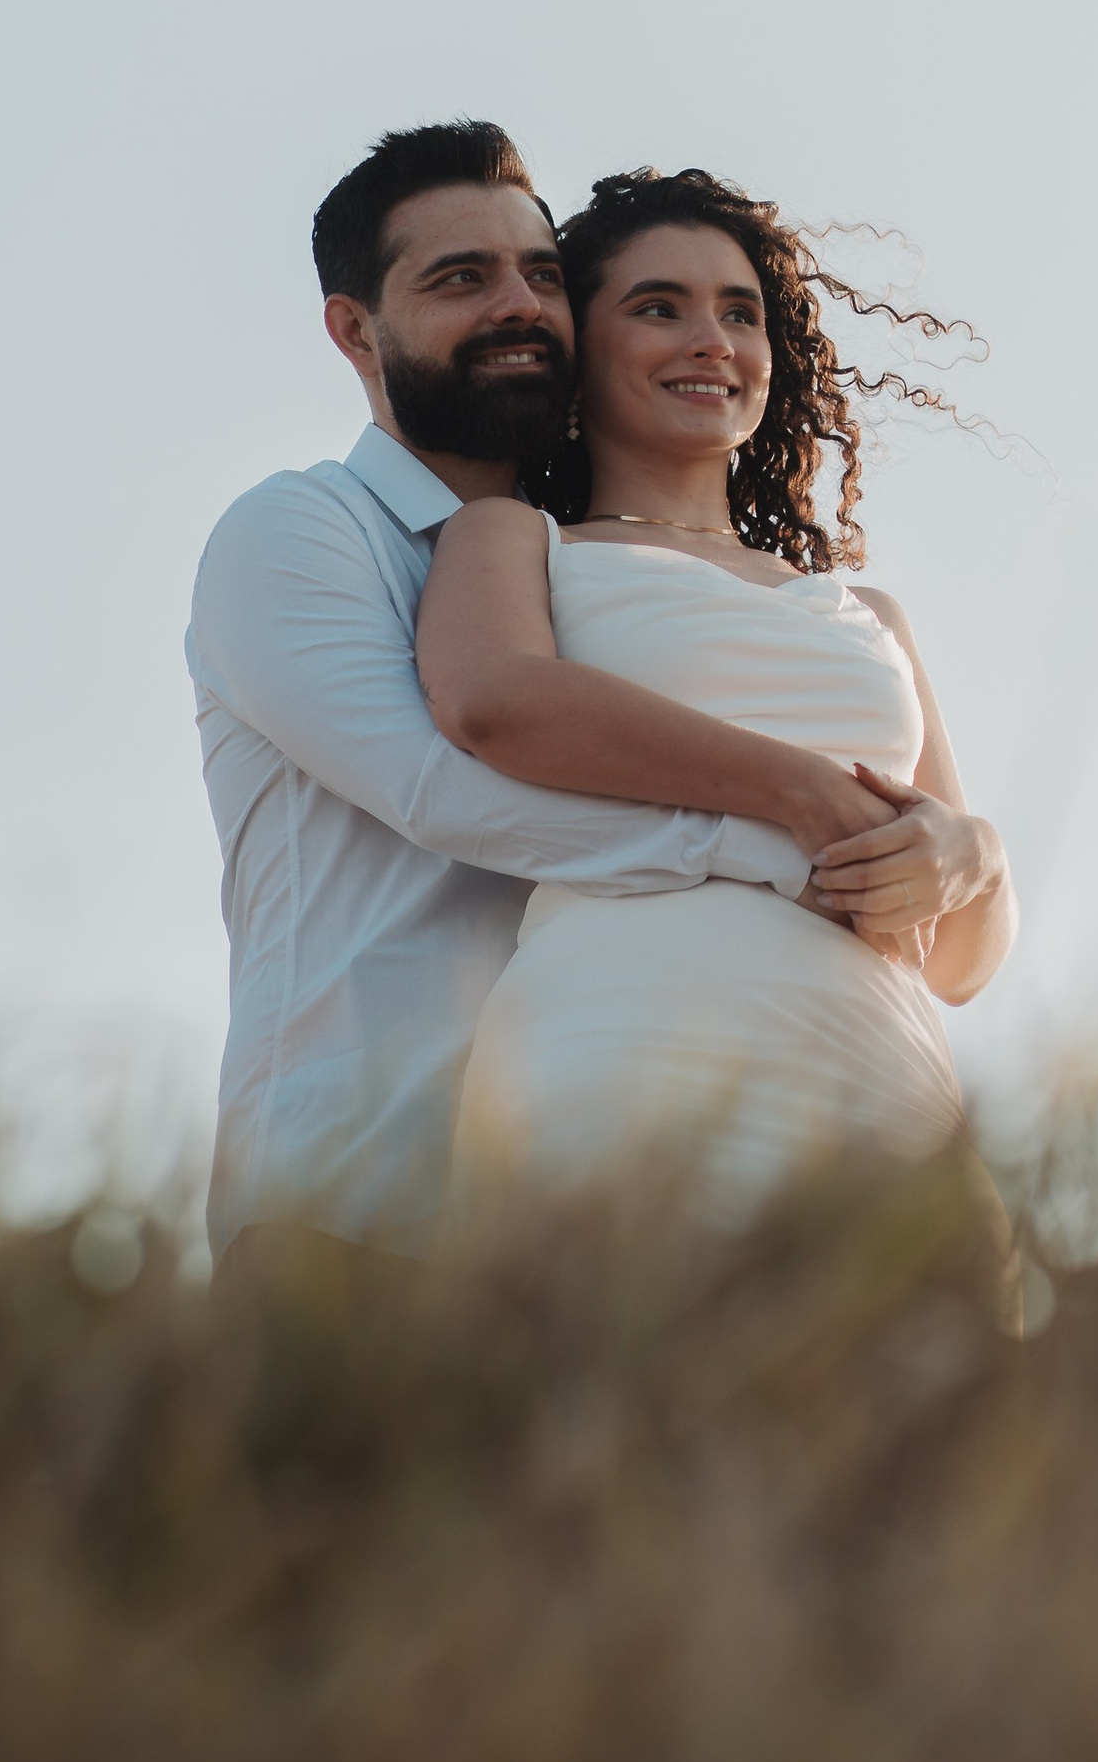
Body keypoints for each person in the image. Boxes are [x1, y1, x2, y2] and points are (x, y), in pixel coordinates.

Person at [186, 121, 987, 1268]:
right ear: (354, 330)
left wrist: (969, 853)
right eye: (462, 278)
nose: (518, 306)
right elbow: (442, 787)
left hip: (558, 1167)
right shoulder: (302, 534)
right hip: (346, 1192)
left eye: (542, 275)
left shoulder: (535, 560)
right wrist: (789, 836)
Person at [419, 163, 1016, 1220]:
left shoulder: (867, 617)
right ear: (579, 349)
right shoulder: (519, 543)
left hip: (878, 1074)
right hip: (616, 1043)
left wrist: (974, 856)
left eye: (739, 313)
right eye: (659, 308)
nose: (711, 341)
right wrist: (798, 791)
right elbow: (494, 700)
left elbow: (962, 964)